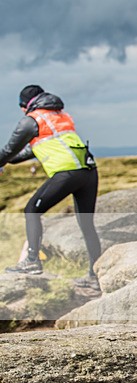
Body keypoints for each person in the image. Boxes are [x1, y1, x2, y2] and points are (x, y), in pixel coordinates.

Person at [0, 85, 101, 289]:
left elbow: (10, 149)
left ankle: (32, 262)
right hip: (88, 172)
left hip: (67, 173)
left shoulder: (31, 120)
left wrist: (3, 161)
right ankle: (95, 276)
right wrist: (6, 162)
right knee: (87, 225)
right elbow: (30, 151)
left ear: (24, 105)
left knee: (31, 210)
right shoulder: (59, 116)